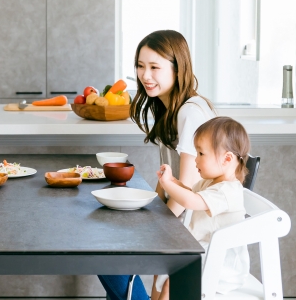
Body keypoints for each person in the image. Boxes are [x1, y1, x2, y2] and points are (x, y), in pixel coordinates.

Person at [98, 30, 215, 300]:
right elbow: (167, 181)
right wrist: (144, 212)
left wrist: (151, 232)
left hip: (198, 230)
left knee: (109, 257)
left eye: (154, 67)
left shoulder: (190, 112)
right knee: (108, 248)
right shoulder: (169, 110)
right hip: (186, 223)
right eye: (140, 66)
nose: (145, 75)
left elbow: (185, 191)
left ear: (177, 69)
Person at [152, 116, 251, 299]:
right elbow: (189, 192)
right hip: (207, 253)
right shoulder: (210, 183)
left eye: (201, 154)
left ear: (226, 158)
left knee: (173, 279)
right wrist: (173, 181)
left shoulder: (227, 191)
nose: (195, 160)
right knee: (163, 268)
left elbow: (191, 201)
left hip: (223, 265)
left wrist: (168, 185)